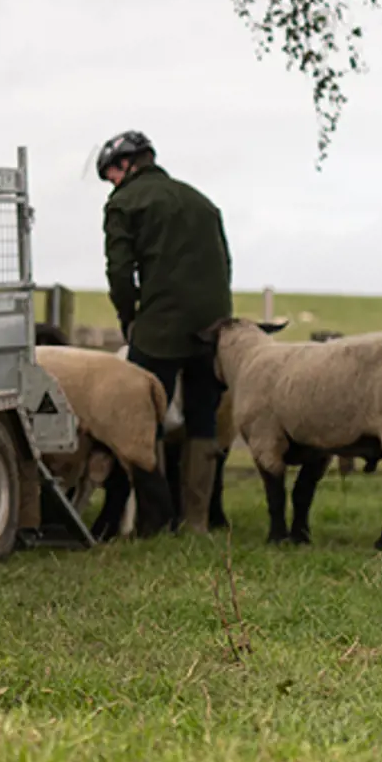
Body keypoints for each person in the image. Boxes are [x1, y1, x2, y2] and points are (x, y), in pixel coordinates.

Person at [96, 130, 234, 535]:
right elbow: (224, 262)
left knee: (143, 416)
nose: (111, 185)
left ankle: (151, 521)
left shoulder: (124, 203)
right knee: (203, 419)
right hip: (212, 325)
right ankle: (196, 521)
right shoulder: (201, 201)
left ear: (125, 166)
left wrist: (130, 318)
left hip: (160, 325)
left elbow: (120, 272)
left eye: (111, 176)